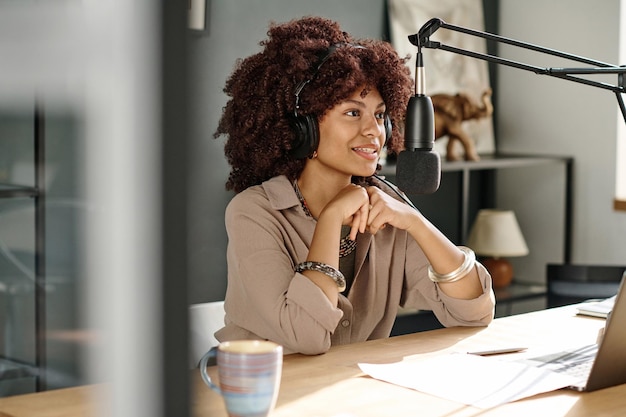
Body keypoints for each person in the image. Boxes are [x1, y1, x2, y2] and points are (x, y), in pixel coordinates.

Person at [213, 16, 495, 355]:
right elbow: (306, 336)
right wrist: (332, 219)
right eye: (352, 113)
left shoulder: (385, 205)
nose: (374, 131)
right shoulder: (254, 212)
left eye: (379, 115)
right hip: (263, 397)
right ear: (304, 129)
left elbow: (473, 311)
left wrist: (414, 221)